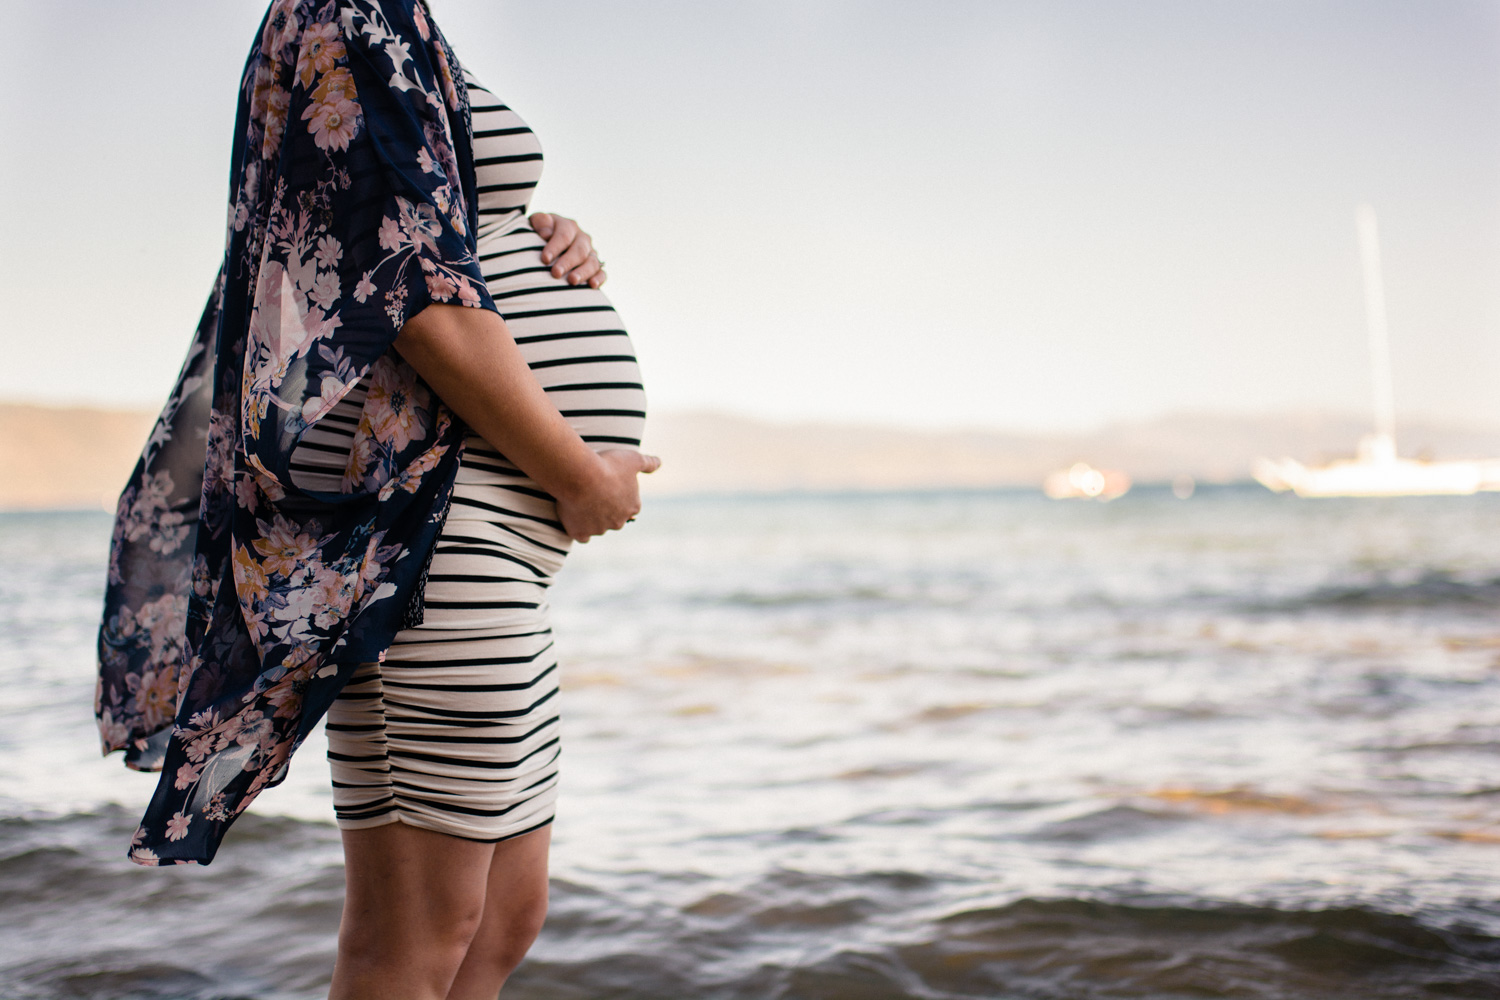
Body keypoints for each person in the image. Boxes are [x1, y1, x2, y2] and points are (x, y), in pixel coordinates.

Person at [94, 1, 657, 996]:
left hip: (491, 537)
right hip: (431, 522)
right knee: (419, 931)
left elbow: (428, 231)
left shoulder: (398, 20)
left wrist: (533, 232)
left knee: (502, 919)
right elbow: (401, 282)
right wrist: (577, 471)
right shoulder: (341, 12)